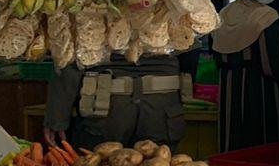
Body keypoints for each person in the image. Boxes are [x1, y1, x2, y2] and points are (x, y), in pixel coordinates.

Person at [213, 0, 279, 152]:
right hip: (261, 95)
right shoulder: (267, 16)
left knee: (233, 146)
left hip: (229, 94)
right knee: (262, 148)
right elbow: (272, 68)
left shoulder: (223, 14)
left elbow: (218, 55)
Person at [45, 52, 186, 150]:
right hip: (163, 106)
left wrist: (56, 118)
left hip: (106, 105)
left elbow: (67, 59)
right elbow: (189, 52)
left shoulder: (91, 9)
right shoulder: (179, 9)